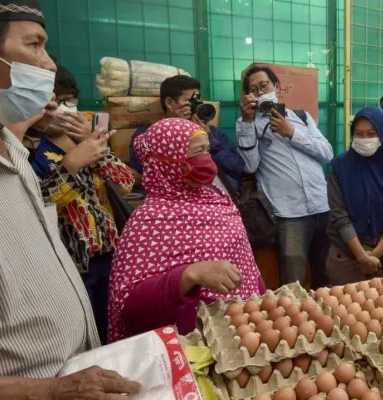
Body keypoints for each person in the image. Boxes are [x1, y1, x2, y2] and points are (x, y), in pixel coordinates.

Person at [0, 1, 139, 398]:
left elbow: (125, 179)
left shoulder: (9, 151)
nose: (48, 65)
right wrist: (48, 391)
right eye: (35, 46)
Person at [108, 118, 266, 340]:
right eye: (197, 152)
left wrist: (260, 296)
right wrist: (190, 274)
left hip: (245, 323)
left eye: (207, 151)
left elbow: (244, 258)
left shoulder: (217, 198)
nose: (206, 160)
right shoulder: (148, 221)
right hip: (198, 338)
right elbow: (130, 305)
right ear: (167, 160)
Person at [29, 64, 135, 344]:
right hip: (74, 265)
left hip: (111, 255)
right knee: (86, 337)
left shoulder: (86, 137)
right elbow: (37, 206)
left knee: (116, 328)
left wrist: (93, 145)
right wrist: (71, 165)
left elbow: (125, 182)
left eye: (69, 100)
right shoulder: (29, 148)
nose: (62, 109)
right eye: (54, 100)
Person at [237, 66, 333, 287]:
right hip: (289, 215)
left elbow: (327, 153)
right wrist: (246, 120)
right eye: (254, 90)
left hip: (321, 206)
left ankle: (327, 318)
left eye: (264, 86)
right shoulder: (248, 124)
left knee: (326, 275)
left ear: (276, 87)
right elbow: (249, 166)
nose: (261, 92)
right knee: (293, 282)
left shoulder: (302, 117)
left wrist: (292, 133)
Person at [326, 107, 383, 285]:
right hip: (346, 256)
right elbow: (339, 215)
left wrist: (375, 254)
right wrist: (361, 255)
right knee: (344, 310)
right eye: (359, 134)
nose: (364, 139)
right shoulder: (340, 167)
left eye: (371, 134)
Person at [128, 75, 244, 193]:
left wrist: (210, 142)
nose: (195, 106)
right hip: (174, 202)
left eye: (198, 101)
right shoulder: (147, 135)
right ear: (169, 103)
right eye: (190, 101)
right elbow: (144, 171)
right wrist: (175, 130)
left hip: (219, 199)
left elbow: (237, 167)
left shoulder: (212, 132)